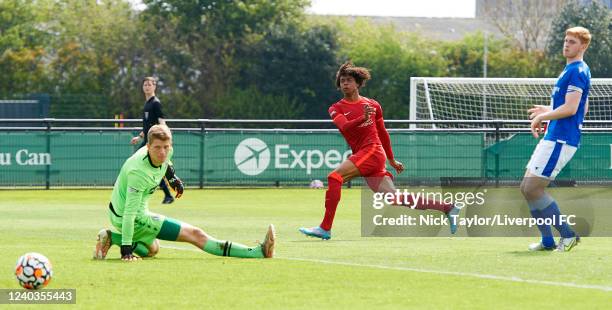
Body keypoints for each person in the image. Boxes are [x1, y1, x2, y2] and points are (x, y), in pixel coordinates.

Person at [299, 62, 459, 240]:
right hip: (365, 154)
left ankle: (325, 228)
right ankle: (448, 207)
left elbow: (382, 133)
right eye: (342, 81)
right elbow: (345, 127)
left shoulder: (373, 105)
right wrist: (364, 117)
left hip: (373, 151)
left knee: (334, 177)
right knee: (394, 199)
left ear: (358, 84)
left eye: (349, 80)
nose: (345, 83)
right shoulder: (336, 108)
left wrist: (391, 159)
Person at [95, 125, 275, 261]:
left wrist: (173, 178)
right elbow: (129, 214)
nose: (163, 152)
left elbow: (166, 164)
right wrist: (126, 251)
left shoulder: (166, 152)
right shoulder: (138, 172)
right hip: (131, 216)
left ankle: (111, 237)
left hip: (125, 212)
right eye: (157, 147)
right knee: (196, 235)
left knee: (152, 249)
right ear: (147, 146)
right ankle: (257, 252)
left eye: (166, 146)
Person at [521, 27, 591, 252]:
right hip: (554, 136)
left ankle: (568, 235)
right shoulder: (569, 69)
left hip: (562, 139)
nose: (566, 44)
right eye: (566, 40)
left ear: (583, 46)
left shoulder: (578, 70)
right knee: (526, 188)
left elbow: (572, 109)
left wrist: (543, 115)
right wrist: (548, 109)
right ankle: (548, 241)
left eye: (572, 42)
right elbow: (582, 107)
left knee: (533, 188)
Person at [130, 77, 175, 204]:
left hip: (154, 143)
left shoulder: (155, 103)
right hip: (148, 141)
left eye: (150, 84)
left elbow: (161, 122)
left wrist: (167, 138)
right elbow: (148, 126)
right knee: (142, 164)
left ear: (154, 87)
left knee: (142, 164)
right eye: (145, 85)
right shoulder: (147, 104)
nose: (147, 87)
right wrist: (139, 137)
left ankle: (164, 194)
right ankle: (166, 195)